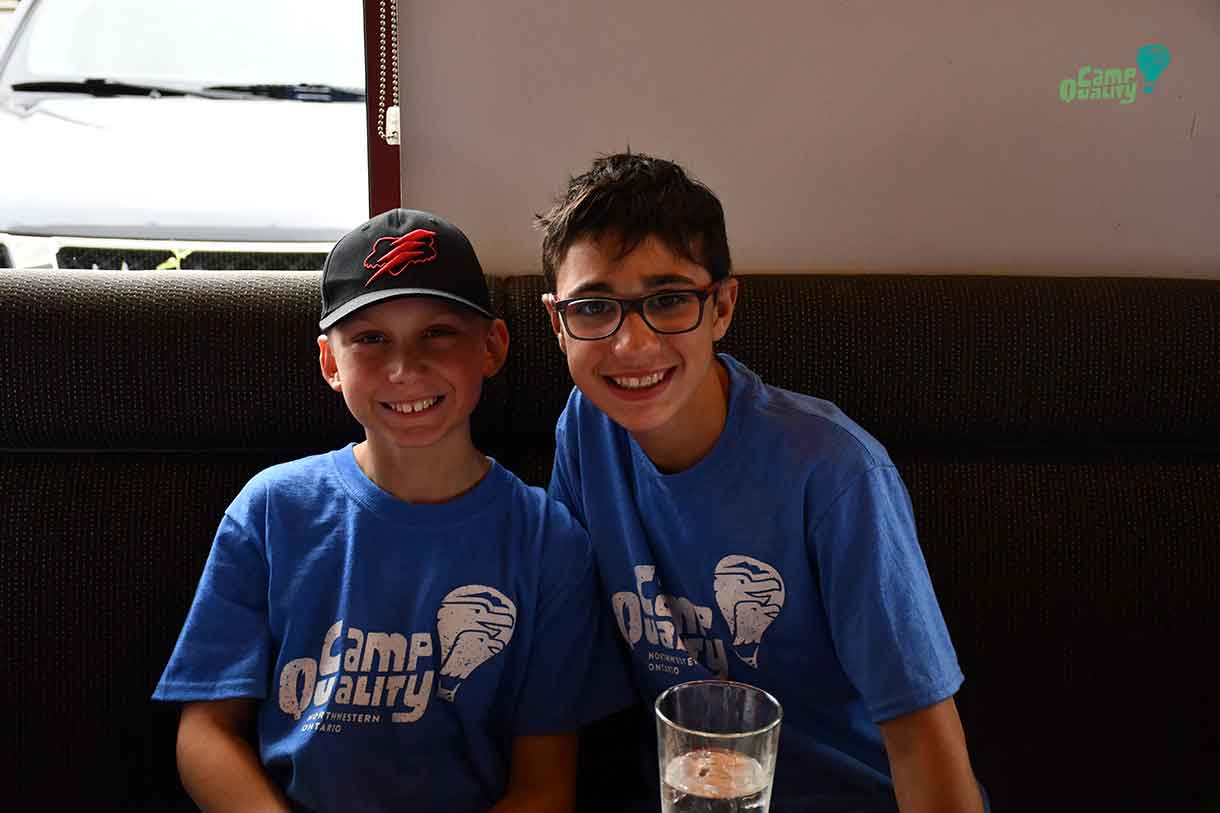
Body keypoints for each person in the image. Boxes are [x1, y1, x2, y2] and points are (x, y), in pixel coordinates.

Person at [536, 153, 987, 812]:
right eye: (595, 307)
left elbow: (925, 743)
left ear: (721, 307)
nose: (630, 343)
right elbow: (568, 660)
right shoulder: (586, 429)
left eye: (667, 300)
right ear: (557, 322)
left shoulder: (834, 470)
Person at [153, 208, 631, 813]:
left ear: (492, 347)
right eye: (371, 339)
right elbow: (205, 732)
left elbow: (544, 785)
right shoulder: (272, 509)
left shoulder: (548, 541)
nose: (405, 368)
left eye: (438, 333)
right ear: (331, 363)